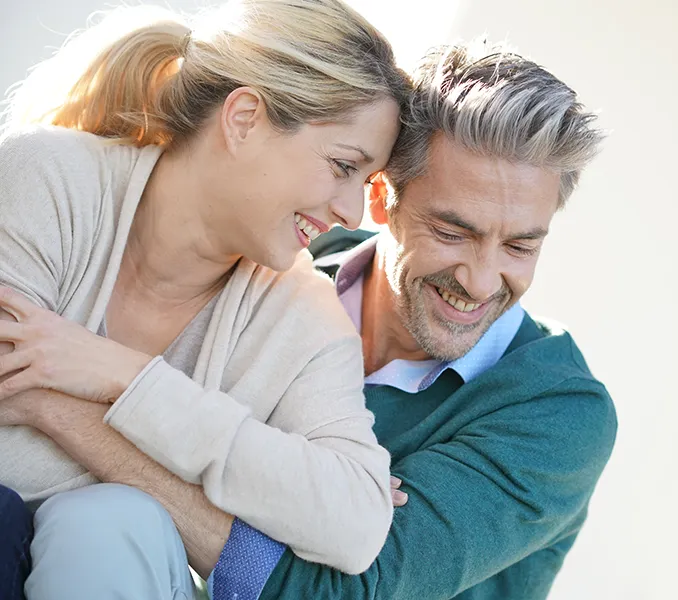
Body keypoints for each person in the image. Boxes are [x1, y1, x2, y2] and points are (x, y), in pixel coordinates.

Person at [5, 39, 618, 600]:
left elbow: (346, 591)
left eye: (520, 247)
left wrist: (55, 407)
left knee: (110, 520)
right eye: (452, 232)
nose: (482, 281)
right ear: (381, 198)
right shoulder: (280, 273)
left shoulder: (556, 410)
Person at [0, 0, 410, 598]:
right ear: (244, 118)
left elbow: (354, 522)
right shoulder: (50, 180)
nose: (351, 213)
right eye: (343, 166)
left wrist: (114, 379)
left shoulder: (304, 315)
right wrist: (248, 484)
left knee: (112, 522)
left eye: (366, 183)